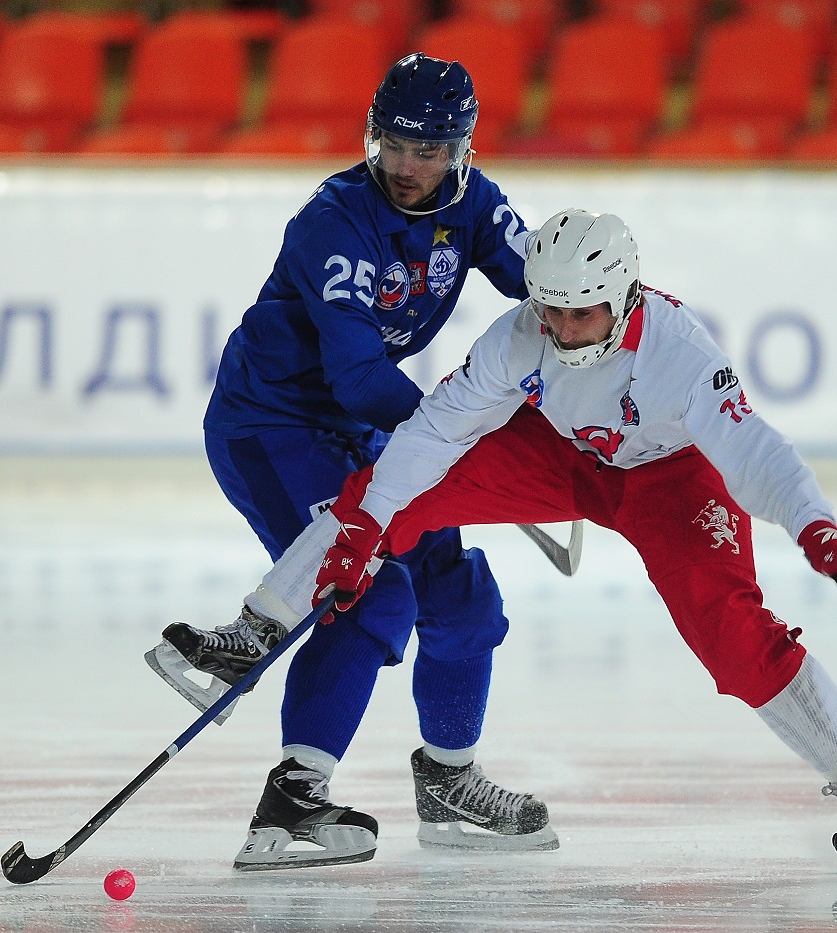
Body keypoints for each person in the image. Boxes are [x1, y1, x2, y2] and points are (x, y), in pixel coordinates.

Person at [225, 208, 837, 876]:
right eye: (549, 309)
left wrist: (817, 531)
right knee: (394, 493)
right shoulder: (520, 333)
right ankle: (262, 621)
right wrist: (366, 527)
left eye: (581, 313)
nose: (561, 329)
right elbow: (433, 432)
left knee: (732, 634)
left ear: (625, 296)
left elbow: (754, 451)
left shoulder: (679, 352)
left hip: (670, 477)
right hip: (559, 455)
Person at [146, 53, 555, 871]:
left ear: (464, 150)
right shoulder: (336, 219)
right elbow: (359, 376)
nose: (408, 167)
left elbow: (554, 291)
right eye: (395, 145)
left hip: (365, 431)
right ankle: (294, 797)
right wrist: (469, 434)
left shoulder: (478, 206)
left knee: (462, 597)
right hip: (274, 426)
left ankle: (448, 782)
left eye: (429, 151)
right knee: (374, 588)